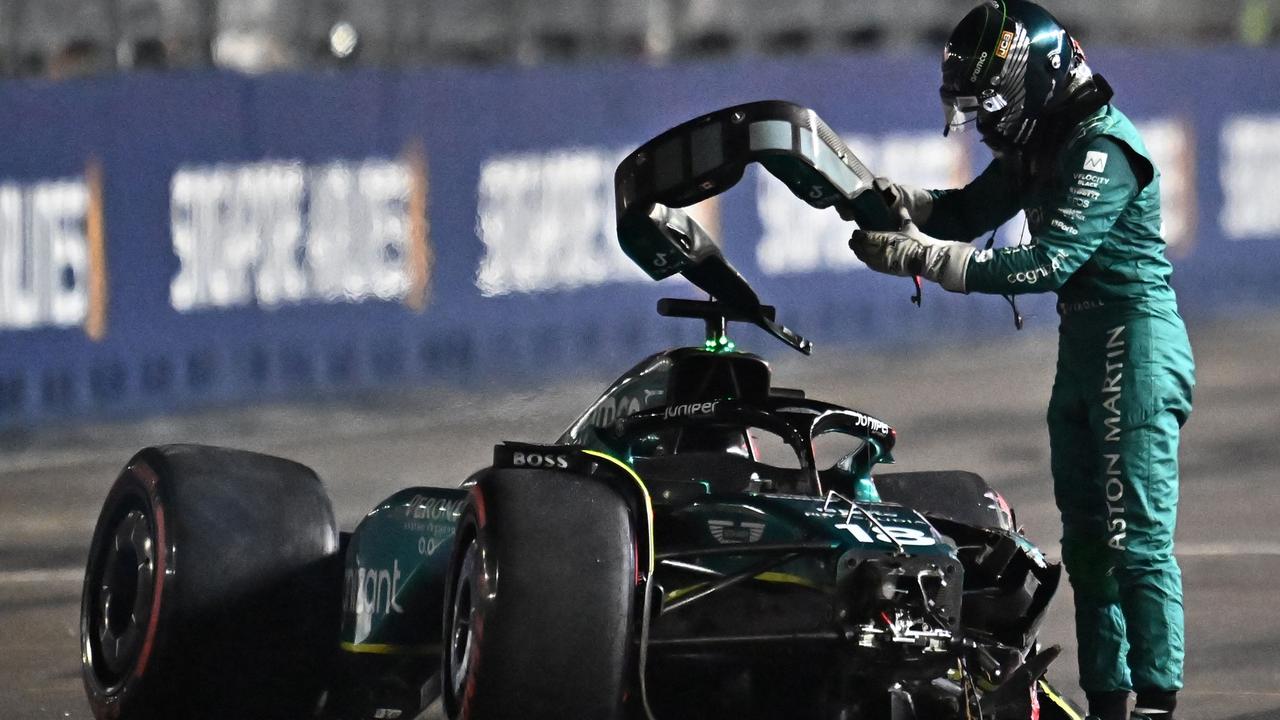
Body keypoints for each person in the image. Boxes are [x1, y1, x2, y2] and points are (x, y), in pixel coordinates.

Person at [845, 2, 1195, 719]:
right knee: (1090, 544)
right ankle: (1110, 701)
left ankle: (1157, 701)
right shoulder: (1044, 145)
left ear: (1034, 77)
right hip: (1086, 345)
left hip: (1136, 341)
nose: (986, 122)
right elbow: (969, 212)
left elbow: (1050, 261)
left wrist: (921, 256)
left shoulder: (1104, 149)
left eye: (991, 102)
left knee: (1136, 542)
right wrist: (902, 203)